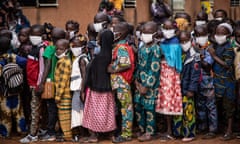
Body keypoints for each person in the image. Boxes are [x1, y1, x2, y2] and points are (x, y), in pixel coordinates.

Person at [82, 12, 116, 143]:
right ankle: (110, 134)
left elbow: (89, 73)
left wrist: (83, 89)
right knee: (108, 112)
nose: (97, 40)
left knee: (95, 112)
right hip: (107, 90)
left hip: (95, 89)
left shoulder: (98, 58)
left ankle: (94, 135)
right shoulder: (111, 55)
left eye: (99, 39)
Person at [108, 22, 135, 143]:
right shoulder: (118, 46)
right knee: (122, 108)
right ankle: (122, 131)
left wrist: (112, 69)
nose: (112, 32)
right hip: (120, 82)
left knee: (126, 108)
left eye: (114, 30)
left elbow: (126, 64)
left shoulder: (122, 48)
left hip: (122, 82)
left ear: (121, 33)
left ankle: (126, 134)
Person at [134, 21, 161, 142]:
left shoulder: (156, 49)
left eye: (148, 32)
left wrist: (146, 86)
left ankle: (150, 132)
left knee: (150, 109)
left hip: (150, 86)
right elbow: (138, 65)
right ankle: (142, 129)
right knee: (138, 107)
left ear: (155, 34)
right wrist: (137, 81)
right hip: (139, 83)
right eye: (143, 32)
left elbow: (154, 69)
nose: (145, 34)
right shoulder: (142, 47)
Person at [155, 19, 183, 141]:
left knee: (169, 101)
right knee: (164, 101)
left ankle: (171, 131)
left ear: (175, 29)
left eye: (169, 28)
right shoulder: (163, 41)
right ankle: (168, 130)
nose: (166, 31)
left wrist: (162, 51)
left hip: (171, 75)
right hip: (163, 74)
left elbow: (174, 62)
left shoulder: (175, 42)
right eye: (164, 28)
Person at [208, 23, 236, 141]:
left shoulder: (229, 48)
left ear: (228, 35)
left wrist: (213, 56)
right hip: (217, 80)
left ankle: (229, 131)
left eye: (222, 34)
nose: (219, 36)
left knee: (228, 106)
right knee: (219, 106)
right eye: (217, 33)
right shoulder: (216, 45)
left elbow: (227, 64)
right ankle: (220, 129)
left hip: (227, 82)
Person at [38, 28, 66, 142]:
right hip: (62, 82)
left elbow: (47, 66)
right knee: (60, 108)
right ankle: (60, 131)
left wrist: (42, 82)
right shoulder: (65, 48)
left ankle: (50, 132)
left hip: (50, 82)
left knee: (51, 109)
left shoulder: (49, 49)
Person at [20, 24, 46, 143]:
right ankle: (39, 130)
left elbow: (42, 68)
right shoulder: (34, 47)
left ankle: (33, 134)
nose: (33, 37)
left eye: (37, 35)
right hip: (31, 83)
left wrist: (39, 84)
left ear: (42, 36)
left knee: (35, 109)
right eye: (32, 35)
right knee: (36, 108)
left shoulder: (41, 49)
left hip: (36, 85)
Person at [173, 31, 201, 142]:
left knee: (188, 111)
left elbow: (195, 75)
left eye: (186, 41)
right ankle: (178, 132)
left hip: (187, 88)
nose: (184, 43)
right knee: (178, 111)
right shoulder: (178, 53)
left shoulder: (195, 55)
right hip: (178, 88)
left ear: (191, 40)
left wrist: (191, 89)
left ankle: (189, 133)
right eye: (181, 41)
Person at [0, 36, 27, 138]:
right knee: (19, 111)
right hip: (15, 88)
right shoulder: (13, 57)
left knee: (5, 113)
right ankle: (22, 130)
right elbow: (25, 62)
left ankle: (5, 132)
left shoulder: (1, 60)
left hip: (3, 92)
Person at [193, 25, 217, 139]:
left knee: (210, 106)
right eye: (197, 35)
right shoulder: (194, 47)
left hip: (208, 82)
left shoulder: (210, 48)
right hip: (197, 82)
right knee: (200, 106)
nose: (200, 37)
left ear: (207, 35)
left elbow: (207, 65)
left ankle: (213, 129)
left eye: (202, 35)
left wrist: (200, 55)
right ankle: (202, 127)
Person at [69, 35, 88, 142]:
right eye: (73, 46)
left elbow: (84, 76)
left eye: (77, 46)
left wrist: (82, 91)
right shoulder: (79, 58)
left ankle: (82, 134)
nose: (74, 48)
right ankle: (81, 133)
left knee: (78, 111)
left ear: (83, 47)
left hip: (79, 90)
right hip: (77, 89)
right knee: (79, 111)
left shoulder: (81, 60)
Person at [54, 39, 72, 141]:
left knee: (64, 116)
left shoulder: (64, 62)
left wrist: (58, 96)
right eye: (57, 48)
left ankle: (67, 136)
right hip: (66, 94)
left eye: (61, 49)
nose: (58, 51)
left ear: (67, 50)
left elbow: (62, 81)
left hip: (64, 94)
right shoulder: (64, 60)